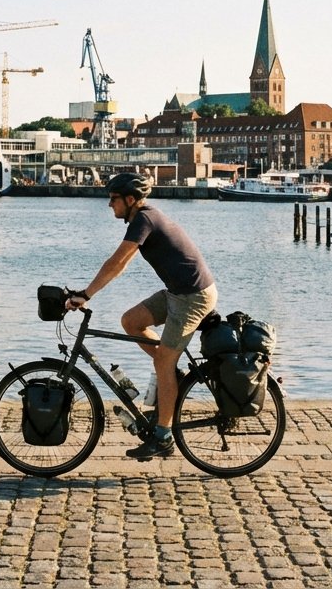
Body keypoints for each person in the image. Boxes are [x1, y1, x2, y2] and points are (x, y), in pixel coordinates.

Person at [66, 172, 218, 460]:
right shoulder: (143, 219)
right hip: (178, 293)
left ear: (131, 199)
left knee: (163, 359)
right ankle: (172, 374)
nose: (110, 205)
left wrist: (86, 294)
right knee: (131, 322)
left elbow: (117, 261)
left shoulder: (144, 219)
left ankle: (163, 436)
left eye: (113, 199)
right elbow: (121, 265)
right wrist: (86, 292)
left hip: (193, 297)